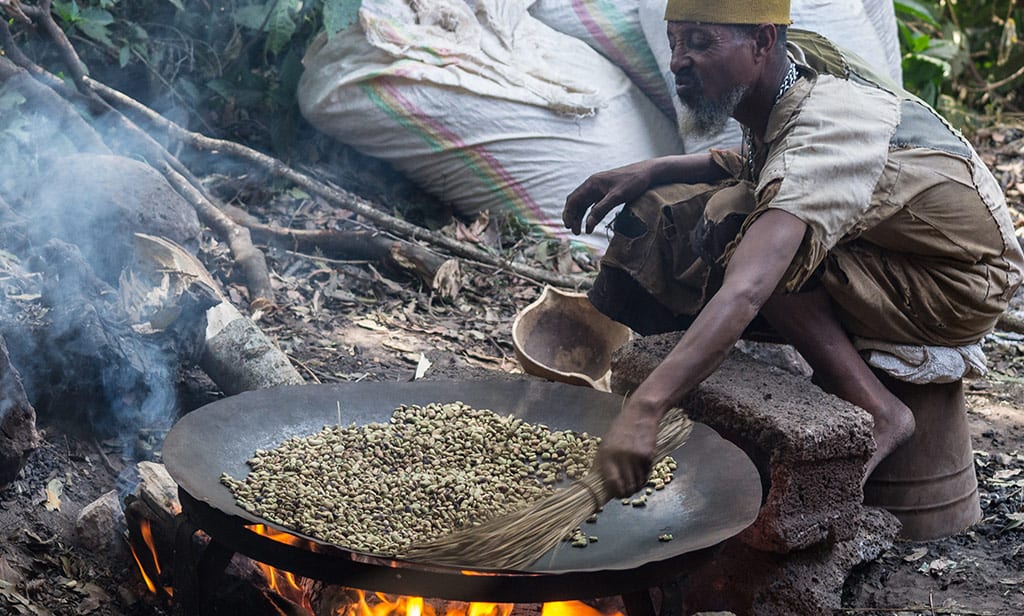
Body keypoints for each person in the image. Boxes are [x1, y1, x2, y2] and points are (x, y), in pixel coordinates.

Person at [562, 0, 1024, 499]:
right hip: (901, 245)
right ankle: (702, 366)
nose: (677, 60)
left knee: (739, 229)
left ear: (761, 42)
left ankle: (880, 411)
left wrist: (646, 408)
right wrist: (652, 169)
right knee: (670, 204)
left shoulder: (827, 127)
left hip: (959, 283)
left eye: (699, 43)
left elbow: (748, 288)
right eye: (675, 41)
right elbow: (762, 158)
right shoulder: (785, 70)